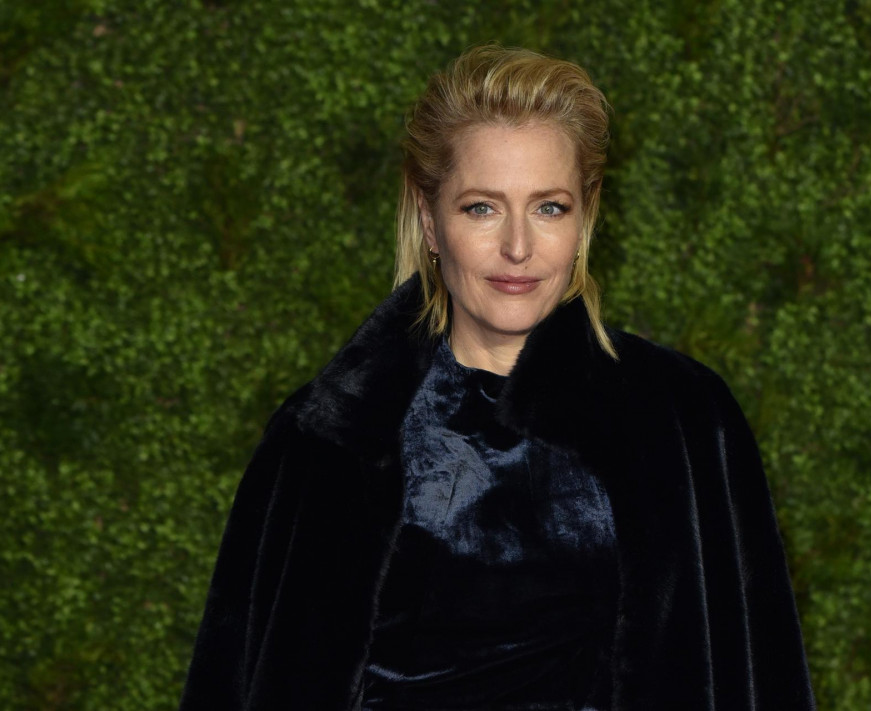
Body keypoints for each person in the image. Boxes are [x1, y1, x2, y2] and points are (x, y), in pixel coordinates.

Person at [179, 45, 816, 711]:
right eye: (482, 207)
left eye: (549, 208)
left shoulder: (686, 421)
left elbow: (759, 675)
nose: (518, 247)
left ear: (586, 217)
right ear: (429, 220)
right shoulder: (324, 437)